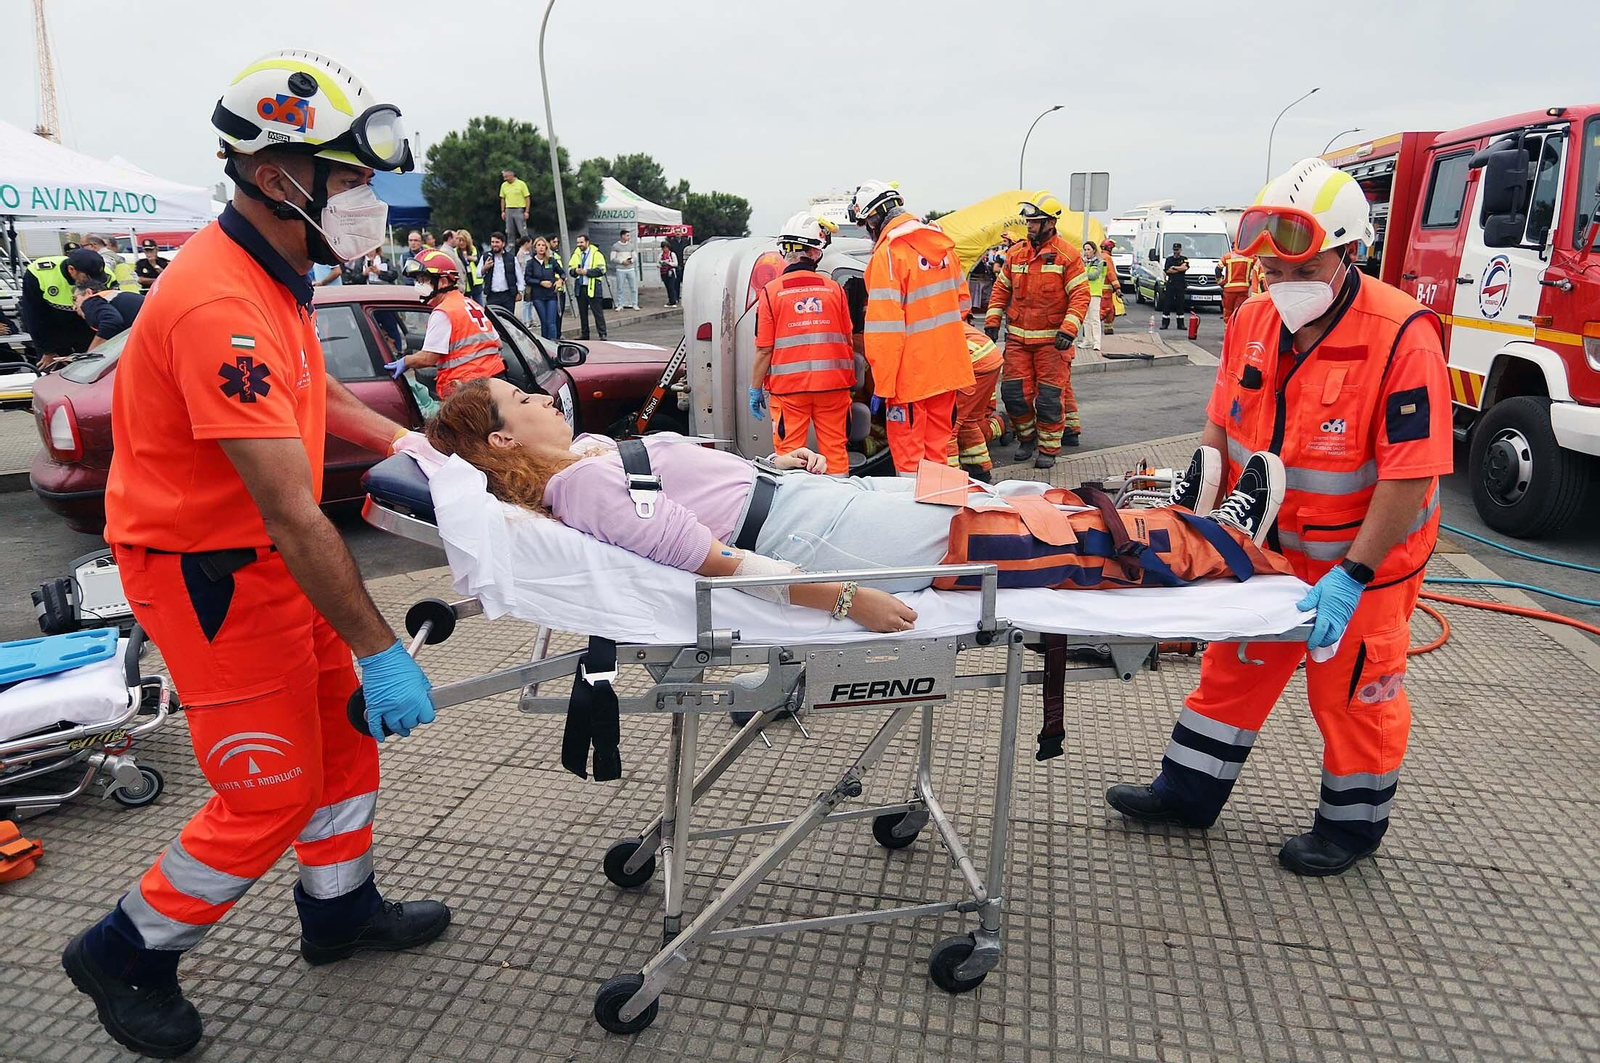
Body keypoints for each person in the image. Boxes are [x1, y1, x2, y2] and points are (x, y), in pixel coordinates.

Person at [61, 50, 448, 1060]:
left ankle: (339, 911)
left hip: (260, 561)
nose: (366, 201)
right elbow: (290, 510)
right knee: (268, 789)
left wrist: (409, 442)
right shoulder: (217, 300)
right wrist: (378, 643)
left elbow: (307, 394)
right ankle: (125, 948)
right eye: (350, 180)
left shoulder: (273, 270)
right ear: (280, 178)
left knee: (343, 740)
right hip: (207, 573)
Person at [1104, 157, 1453, 877]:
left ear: (1350, 252)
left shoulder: (1400, 335)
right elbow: (1223, 422)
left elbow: (1411, 474)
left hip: (1366, 563)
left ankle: (1351, 827)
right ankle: (1188, 791)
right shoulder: (1255, 320)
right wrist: (1203, 488)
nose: (1279, 283)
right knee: (1235, 667)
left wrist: (1354, 574)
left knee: (1351, 692)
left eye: (1299, 267)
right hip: (1268, 549)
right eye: (1267, 268)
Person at [425, 378, 1291, 630]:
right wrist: (848, 599)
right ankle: (1211, 539)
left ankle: (1172, 515)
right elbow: (718, 565)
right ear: (504, 442)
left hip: (802, 496)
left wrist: (775, 464)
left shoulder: (589, 461)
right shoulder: (589, 486)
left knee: (985, 491)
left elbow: (702, 497)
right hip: (813, 536)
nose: (542, 396)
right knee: (998, 527)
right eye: (521, 401)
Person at [850, 180, 973, 476]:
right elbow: (963, 305)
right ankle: (940, 514)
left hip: (910, 379)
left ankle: (913, 516)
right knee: (937, 452)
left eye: (867, 223)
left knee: (908, 457)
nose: (868, 230)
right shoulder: (942, 247)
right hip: (946, 372)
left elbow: (884, 332)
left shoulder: (889, 255)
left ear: (875, 216)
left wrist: (883, 383)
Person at [985, 191, 1090, 467]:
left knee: (1049, 400)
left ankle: (1048, 450)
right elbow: (1000, 290)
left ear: (1050, 223)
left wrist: (1068, 329)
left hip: (1052, 344)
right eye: (1029, 222)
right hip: (1018, 341)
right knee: (1014, 395)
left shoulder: (1067, 255)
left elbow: (1080, 294)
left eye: (1036, 222)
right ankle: (1027, 439)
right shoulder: (1015, 254)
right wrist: (992, 321)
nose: (1030, 226)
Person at [751, 212, 854, 476]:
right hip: (834, 388)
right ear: (816, 252)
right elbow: (847, 337)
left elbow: (764, 349)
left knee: (789, 456)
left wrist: (754, 389)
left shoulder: (771, 293)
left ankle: (795, 509)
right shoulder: (835, 289)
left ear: (785, 251)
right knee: (835, 453)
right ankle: (841, 505)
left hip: (789, 391)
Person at [392, 249, 507, 397]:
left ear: (443, 282)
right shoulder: (471, 304)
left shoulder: (443, 312)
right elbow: (498, 343)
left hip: (468, 390)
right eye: (418, 280)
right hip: (495, 381)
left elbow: (428, 358)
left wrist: (405, 361)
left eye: (423, 280)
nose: (419, 285)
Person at [20, 246, 106, 361]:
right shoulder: (40, 273)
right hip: (52, 326)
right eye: (87, 277)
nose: (93, 282)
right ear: (71, 269)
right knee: (54, 370)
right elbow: (32, 315)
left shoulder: (104, 275)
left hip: (87, 327)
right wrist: (47, 350)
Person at [949, 317, 1006, 481]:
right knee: (968, 421)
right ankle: (980, 473)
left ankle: (950, 484)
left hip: (974, 362)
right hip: (988, 356)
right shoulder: (937, 318)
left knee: (947, 426)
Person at [73, 276, 145, 350]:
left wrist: (92, 353)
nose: (74, 307)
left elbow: (111, 322)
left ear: (89, 292)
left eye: (75, 299)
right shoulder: (114, 297)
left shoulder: (91, 301)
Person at [567, 233, 608, 340]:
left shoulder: (596, 254)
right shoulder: (576, 254)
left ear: (587, 242)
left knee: (597, 312)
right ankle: (585, 334)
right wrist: (575, 271)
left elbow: (601, 270)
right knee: (583, 312)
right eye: (578, 242)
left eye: (581, 242)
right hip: (580, 287)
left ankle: (602, 334)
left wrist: (586, 272)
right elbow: (570, 270)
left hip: (593, 287)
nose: (579, 244)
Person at [524, 236, 561, 340]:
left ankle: (553, 344)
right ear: (535, 248)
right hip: (538, 296)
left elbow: (562, 273)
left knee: (551, 323)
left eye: (543, 245)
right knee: (544, 322)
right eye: (538, 245)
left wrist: (560, 280)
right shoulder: (530, 263)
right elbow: (527, 279)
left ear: (546, 247)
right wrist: (540, 283)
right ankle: (545, 346)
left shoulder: (551, 261)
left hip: (551, 296)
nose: (541, 247)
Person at [478, 231, 520, 315]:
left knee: (508, 320)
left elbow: (519, 276)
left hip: (508, 295)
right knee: (493, 320)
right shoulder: (486, 257)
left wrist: (519, 291)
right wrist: (485, 268)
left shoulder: (511, 258)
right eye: (492, 242)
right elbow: (478, 274)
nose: (494, 244)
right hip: (492, 295)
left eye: (497, 242)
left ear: (503, 244)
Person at [1218, 245, 1255, 328]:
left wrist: (1220, 282)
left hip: (1229, 290)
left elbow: (1218, 269)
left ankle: (1228, 331)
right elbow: (1257, 269)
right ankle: (1236, 330)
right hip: (1243, 289)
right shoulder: (1251, 257)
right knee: (1238, 312)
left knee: (1228, 311)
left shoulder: (1227, 256)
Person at [1081, 241, 1108, 354]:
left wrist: (1082, 273)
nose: (1086, 252)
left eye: (1088, 249)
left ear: (1094, 250)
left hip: (1095, 293)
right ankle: (1088, 340)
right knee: (1086, 319)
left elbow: (1094, 275)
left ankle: (1097, 342)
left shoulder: (1100, 263)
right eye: (1085, 250)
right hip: (1085, 292)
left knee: (1095, 319)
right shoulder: (1085, 262)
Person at [1158, 241, 1189, 329]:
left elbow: (1185, 268)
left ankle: (1180, 324)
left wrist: (1174, 267)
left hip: (1180, 284)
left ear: (1181, 250)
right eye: (1175, 250)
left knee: (1180, 304)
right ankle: (1165, 323)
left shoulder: (1184, 259)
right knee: (1167, 304)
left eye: (1177, 250)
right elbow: (1168, 271)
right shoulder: (1169, 259)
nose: (1176, 251)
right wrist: (1179, 269)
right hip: (1171, 284)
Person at [610, 228, 640, 311]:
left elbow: (635, 257)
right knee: (620, 287)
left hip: (630, 269)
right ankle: (620, 304)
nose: (629, 237)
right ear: (622, 236)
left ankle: (635, 304)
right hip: (620, 269)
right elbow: (612, 258)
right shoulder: (615, 246)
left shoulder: (631, 245)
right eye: (627, 235)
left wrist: (631, 261)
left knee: (633, 287)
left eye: (629, 235)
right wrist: (622, 261)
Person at [498, 167, 531, 245]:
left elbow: (527, 198)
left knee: (522, 231)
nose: (505, 179)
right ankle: (510, 251)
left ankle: (527, 248)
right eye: (504, 177)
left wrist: (527, 211)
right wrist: (502, 211)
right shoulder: (504, 185)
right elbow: (502, 198)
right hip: (508, 210)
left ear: (511, 175)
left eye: (506, 177)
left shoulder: (521, 184)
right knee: (509, 232)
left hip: (519, 209)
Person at [454, 230, 482, 302]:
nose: (461, 243)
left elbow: (480, 264)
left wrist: (474, 259)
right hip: (463, 283)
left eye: (463, 240)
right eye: (459, 240)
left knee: (479, 305)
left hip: (475, 283)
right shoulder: (455, 252)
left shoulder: (473, 249)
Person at [1099, 239, 1120, 335]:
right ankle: (1089, 328)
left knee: (1110, 310)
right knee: (1105, 310)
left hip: (1102, 289)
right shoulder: (1107, 258)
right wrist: (1117, 287)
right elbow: (1111, 273)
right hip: (1105, 290)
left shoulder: (1100, 256)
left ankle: (1108, 330)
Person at [658, 239, 680, 307]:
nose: (665, 249)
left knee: (671, 287)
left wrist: (669, 263)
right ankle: (670, 301)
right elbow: (658, 263)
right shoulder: (660, 255)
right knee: (667, 287)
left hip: (671, 272)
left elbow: (676, 263)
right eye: (663, 248)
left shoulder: (672, 254)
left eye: (666, 247)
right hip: (663, 272)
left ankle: (673, 301)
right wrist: (661, 264)